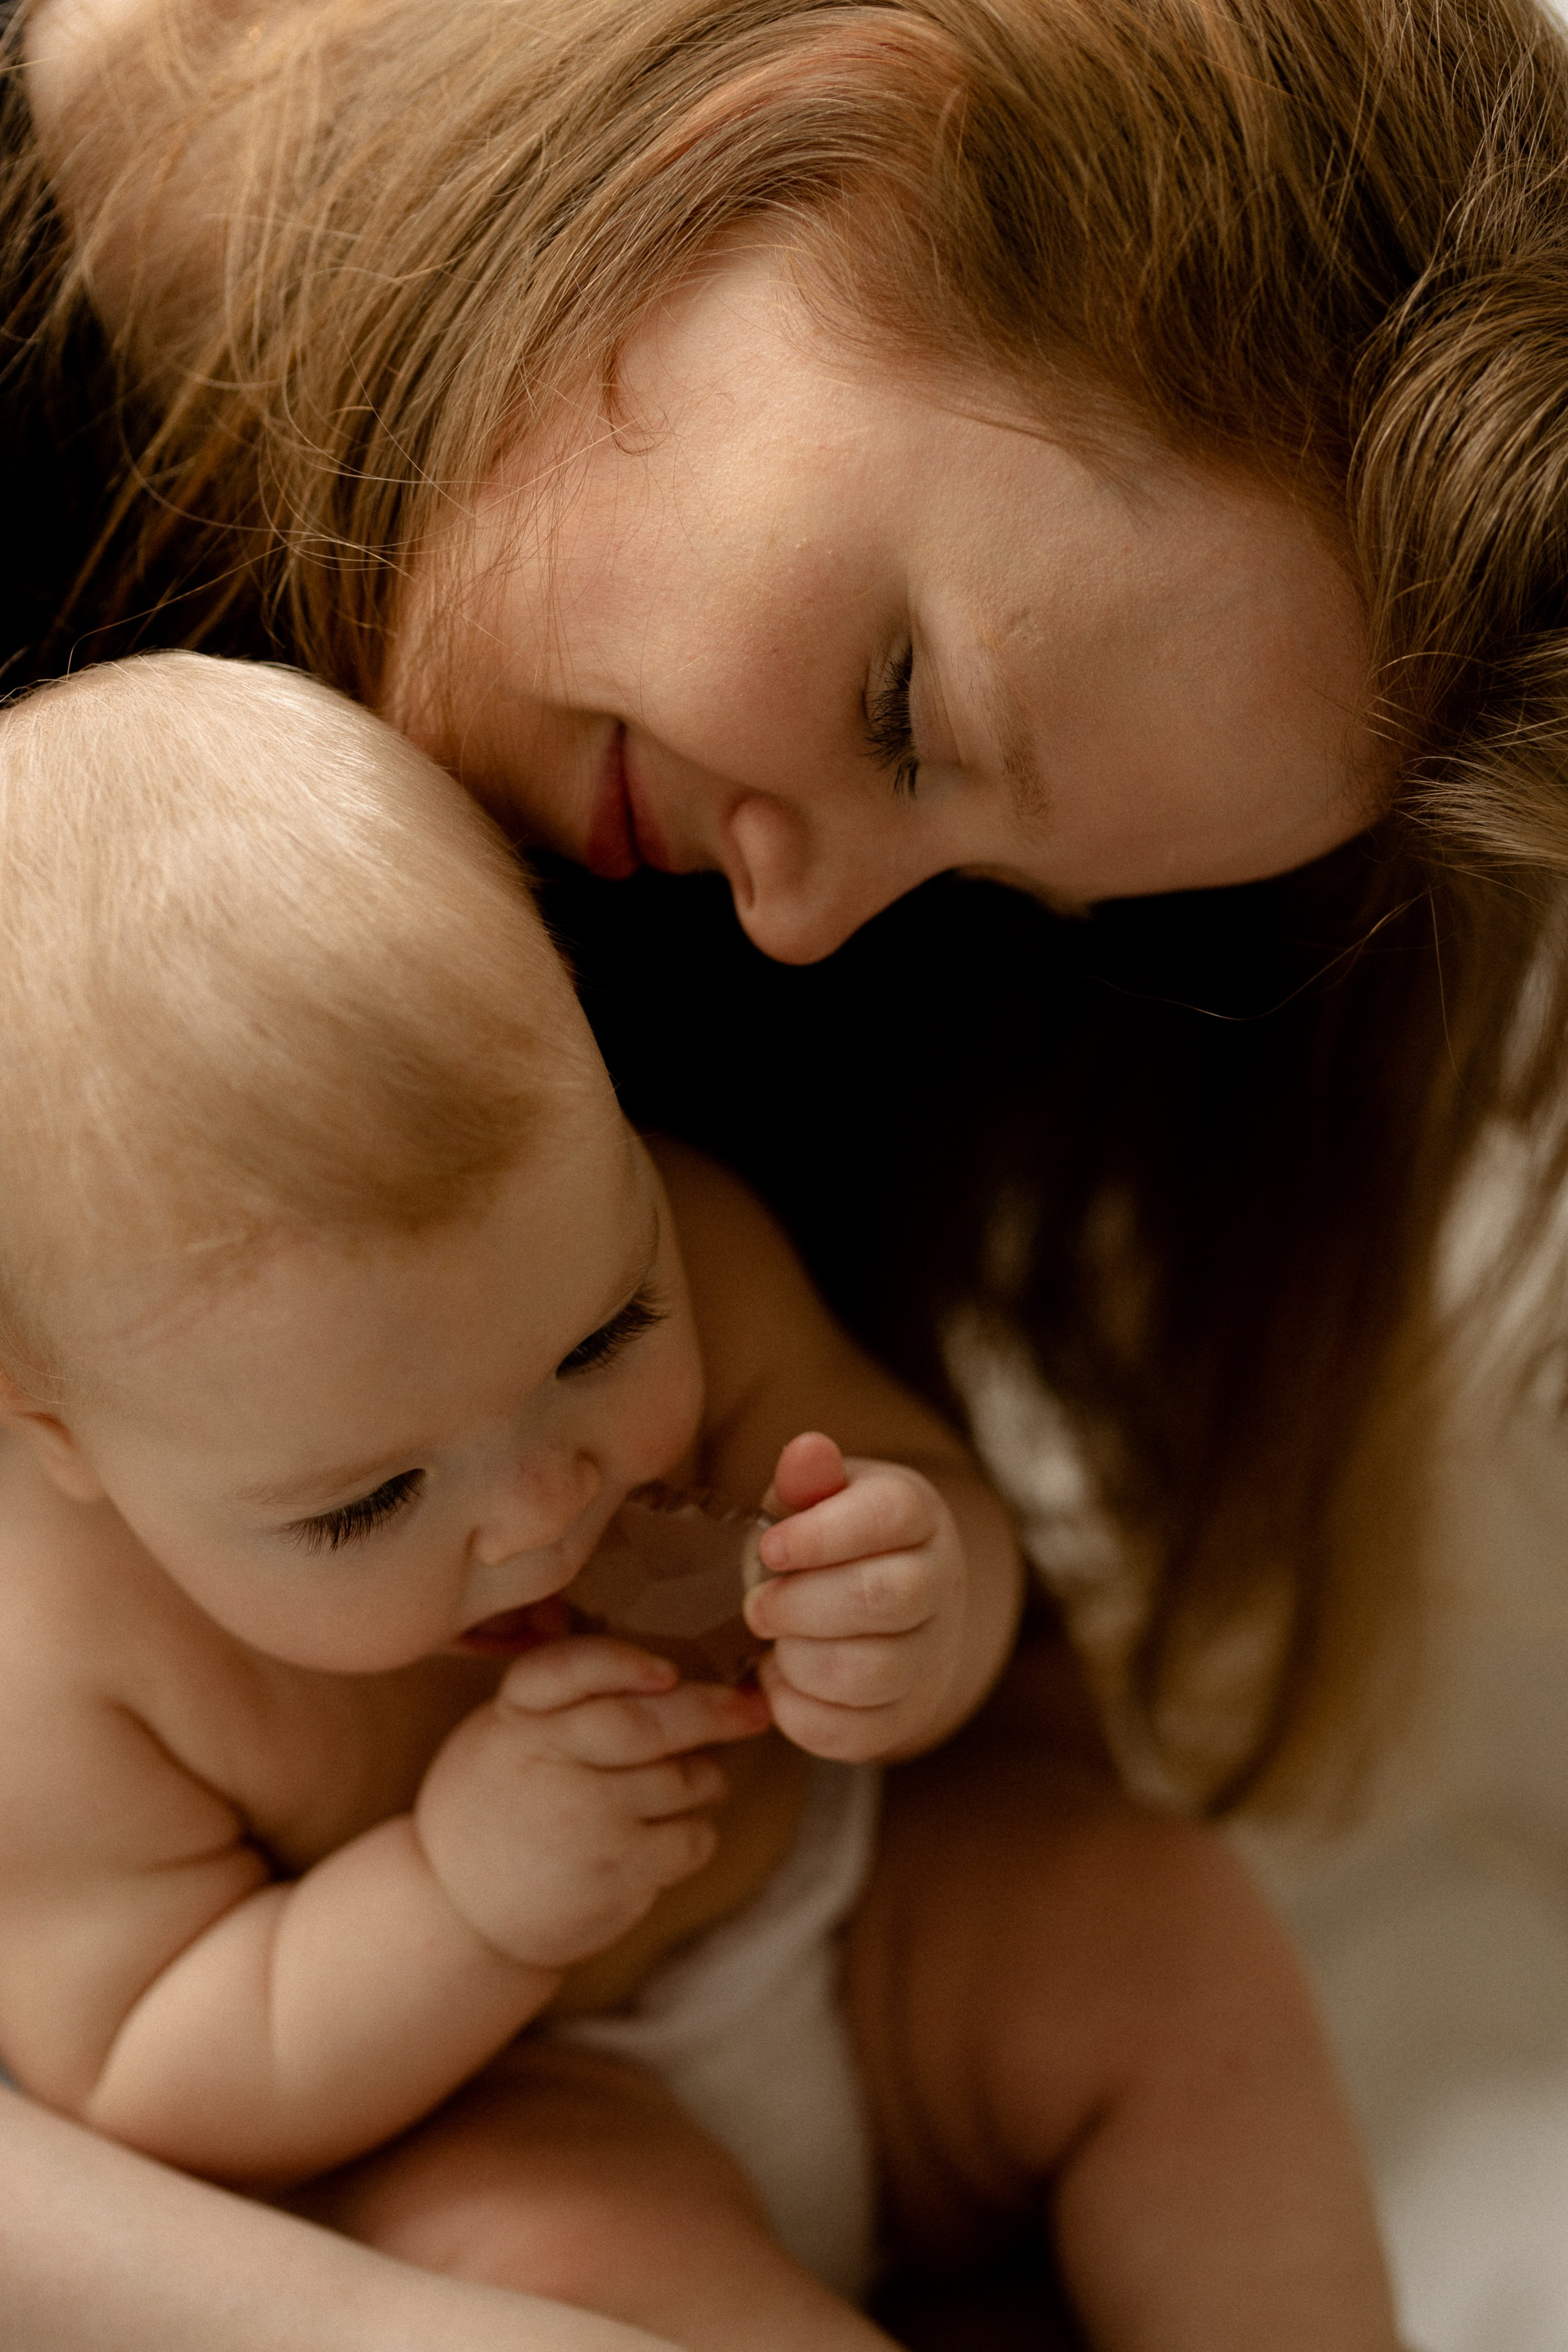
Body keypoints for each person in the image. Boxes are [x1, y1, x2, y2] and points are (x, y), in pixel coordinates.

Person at [0, 651, 1397, 2350]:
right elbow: (146, 2069)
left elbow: (935, 1508)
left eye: (601, 1334)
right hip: (512, 2115)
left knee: (1160, 1923)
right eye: (367, 1502)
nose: (545, 1503)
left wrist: (909, 1605)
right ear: (54, 1427)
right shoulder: (59, 1661)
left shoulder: (692, 1235)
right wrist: (460, 1897)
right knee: (569, 2279)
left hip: (854, 1927)